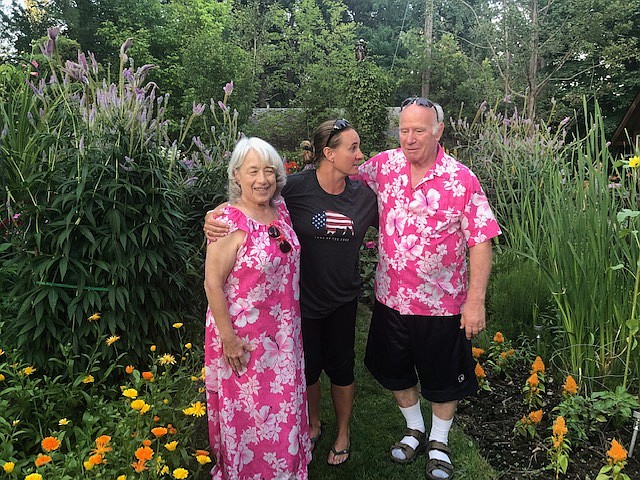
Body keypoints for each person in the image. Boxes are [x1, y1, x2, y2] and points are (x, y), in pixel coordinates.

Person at [205, 120, 378, 466]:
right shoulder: (294, 191)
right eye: (352, 147)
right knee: (306, 372)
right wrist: (212, 215)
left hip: (328, 304)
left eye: (268, 171)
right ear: (328, 154)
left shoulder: (358, 197)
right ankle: (307, 428)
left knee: (338, 371)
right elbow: (240, 219)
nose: (263, 179)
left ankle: (337, 434)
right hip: (293, 309)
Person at [357, 97, 501, 480]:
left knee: (441, 378)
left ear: (438, 131)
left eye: (419, 130)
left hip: (442, 305)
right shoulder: (383, 166)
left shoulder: (461, 179)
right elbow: (336, 174)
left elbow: (481, 241)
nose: (409, 138)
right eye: (404, 129)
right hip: (391, 298)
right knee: (395, 372)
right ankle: (414, 428)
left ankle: (439, 439)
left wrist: (475, 301)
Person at [203, 136, 311, 479]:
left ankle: (287, 470)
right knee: (252, 417)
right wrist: (229, 339)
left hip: (283, 336)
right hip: (244, 340)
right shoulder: (227, 223)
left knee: (283, 410)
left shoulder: (281, 211)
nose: (262, 179)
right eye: (253, 171)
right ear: (237, 176)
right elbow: (212, 284)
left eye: (269, 170)